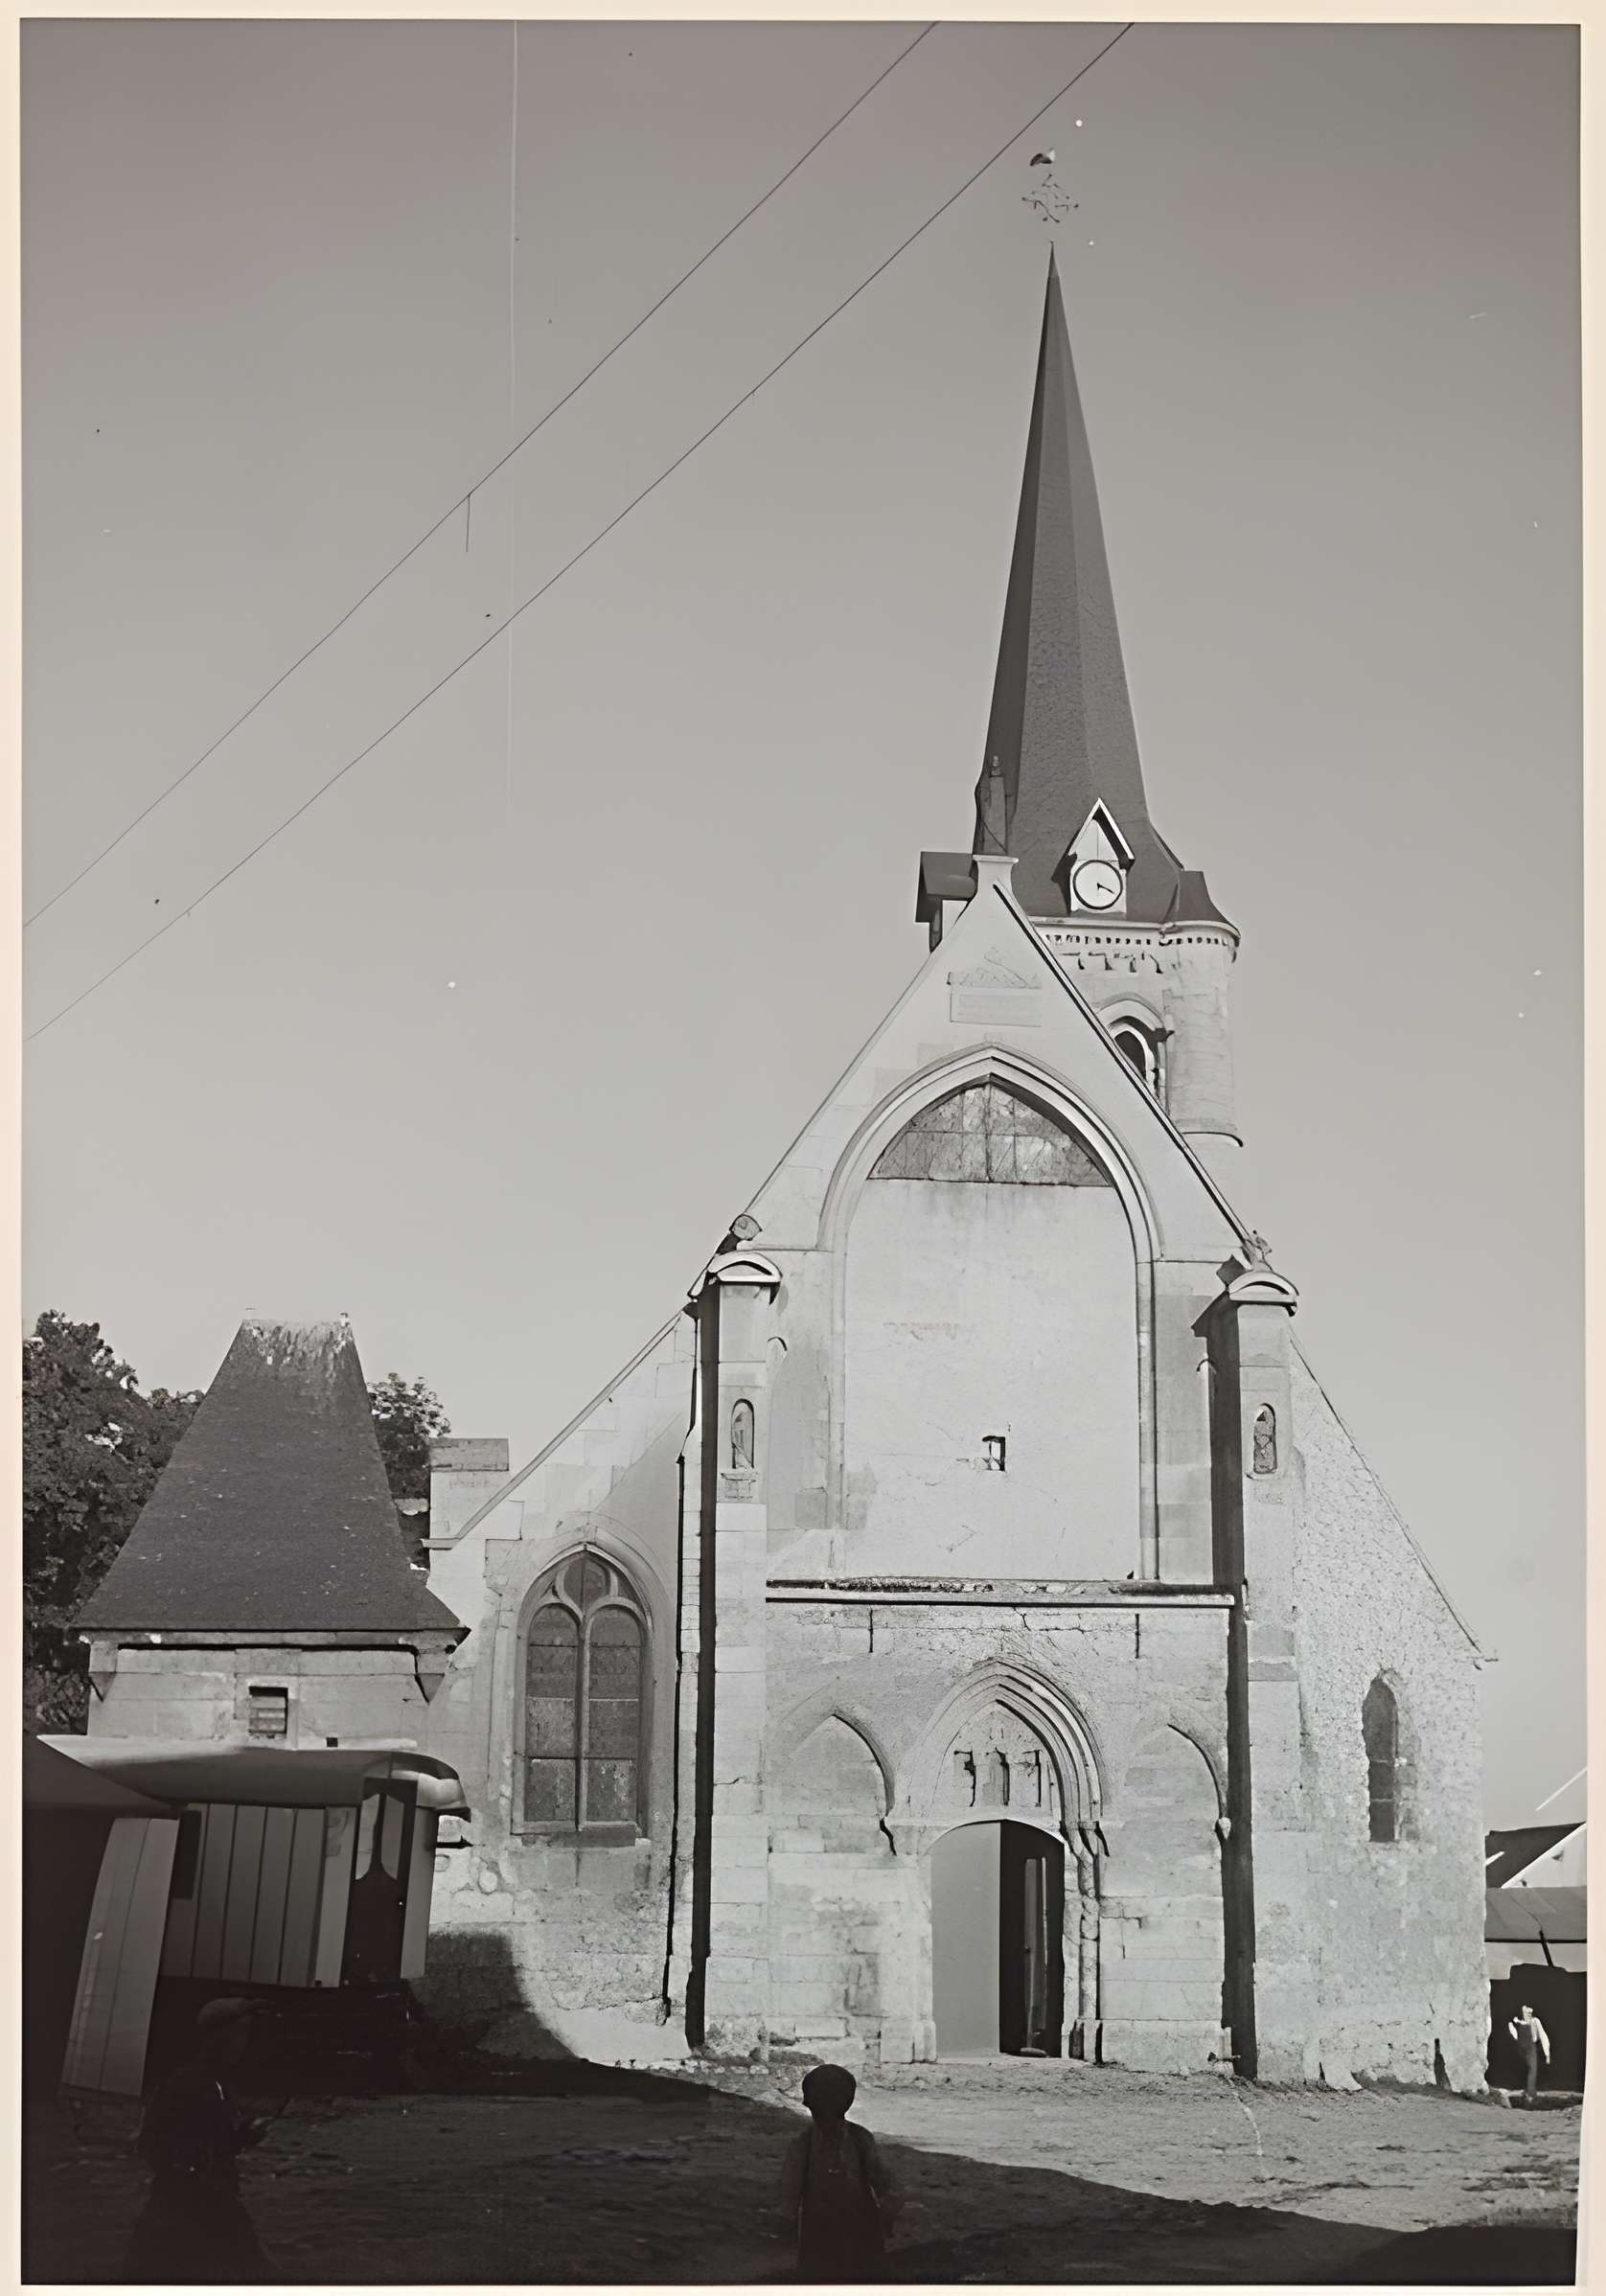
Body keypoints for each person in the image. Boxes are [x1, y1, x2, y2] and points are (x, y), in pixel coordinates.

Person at [122, 1997, 276, 2283]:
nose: (243, 2042)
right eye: (238, 2032)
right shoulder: (185, 2084)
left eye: (246, 2032)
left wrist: (242, 2135)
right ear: (216, 2037)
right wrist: (192, 2168)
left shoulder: (218, 2084)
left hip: (208, 2199)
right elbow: (150, 2144)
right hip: (188, 2204)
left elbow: (215, 2138)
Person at [779, 2062, 899, 2284]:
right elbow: (882, 2180)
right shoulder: (809, 2143)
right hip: (829, 2222)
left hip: (848, 2221)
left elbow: (880, 2179)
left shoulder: (854, 2139)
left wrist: (788, 2218)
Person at [1507, 2003, 1550, 2104]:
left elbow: (1543, 2035)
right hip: (1521, 2048)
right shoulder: (1518, 2022)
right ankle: (1527, 2092)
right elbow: (1513, 2032)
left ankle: (1531, 2094)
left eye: (1528, 2012)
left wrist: (1547, 2053)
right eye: (1525, 2012)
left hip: (1530, 2048)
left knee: (1533, 2069)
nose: (1526, 2014)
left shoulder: (1535, 2022)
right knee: (1526, 2069)